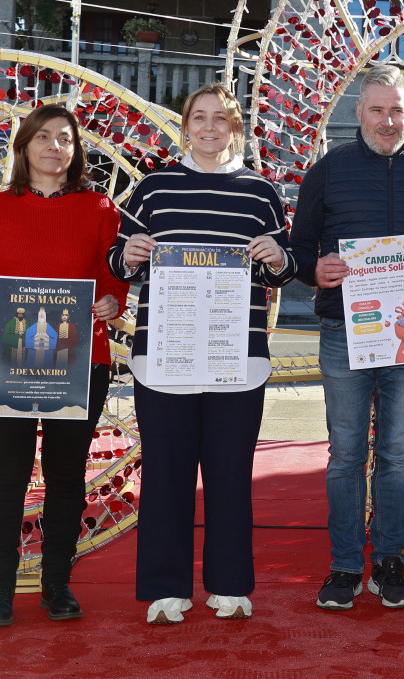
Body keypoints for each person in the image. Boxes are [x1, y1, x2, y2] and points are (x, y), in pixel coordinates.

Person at [107, 83, 295, 625]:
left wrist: (277, 255)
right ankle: (167, 588)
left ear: (235, 129)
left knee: (231, 473)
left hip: (238, 360)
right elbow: (118, 264)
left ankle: (230, 585)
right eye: (199, 118)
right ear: (185, 125)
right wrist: (131, 253)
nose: (209, 128)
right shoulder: (152, 188)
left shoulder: (260, 193)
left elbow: (283, 271)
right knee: (166, 473)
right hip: (163, 357)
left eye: (221, 120)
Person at [291, 64, 404, 611]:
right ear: (358, 113)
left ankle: (391, 562)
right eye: (377, 110)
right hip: (345, 330)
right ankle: (344, 566)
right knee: (345, 454)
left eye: (398, 111)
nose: (388, 121)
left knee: (395, 453)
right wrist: (316, 270)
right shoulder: (329, 170)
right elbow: (299, 249)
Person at [0, 103, 129, 626]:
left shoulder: (99, 208)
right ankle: (2, 590)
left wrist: (112, 301)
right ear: (23, 146)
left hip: (80, 358)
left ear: (77, 150)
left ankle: (57, 584)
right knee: (6, 476)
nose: (56, 146)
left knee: (66, 474)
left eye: (66, 138)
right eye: (44, 137)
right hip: (9, 360)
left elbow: (114, 275)